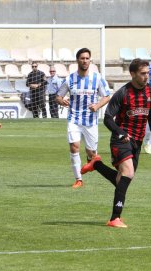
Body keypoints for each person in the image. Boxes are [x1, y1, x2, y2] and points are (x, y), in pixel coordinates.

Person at [80, 58, 151, 228]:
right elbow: (108, 119)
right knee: (128, 173)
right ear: (133, 74)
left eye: (148, 73)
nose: (146, 76)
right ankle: (114, 218)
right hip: (120, 140)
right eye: (143, 73)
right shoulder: (123, 93)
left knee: (122, 180)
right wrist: (120, 132)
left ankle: (96, 164)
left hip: (137, 143)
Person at [56, 48, 110, 188]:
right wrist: (62, 101)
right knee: (74, 147)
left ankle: (90, 159)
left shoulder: (97, 78)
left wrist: (97, 106)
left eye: (87, 58)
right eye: (82, 58)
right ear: (77, 60)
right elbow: (58, 96)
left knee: (92, 153)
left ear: (90, 60)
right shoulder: (70, 79)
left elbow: (107, 96)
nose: (85, 61)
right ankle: (78, 179)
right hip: (74, 118)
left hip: (91, 121)